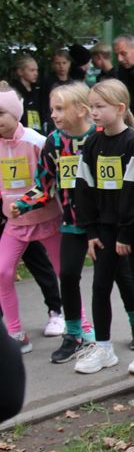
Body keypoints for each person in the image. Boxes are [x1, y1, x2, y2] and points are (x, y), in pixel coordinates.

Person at [16, 82, 134, 363]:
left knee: (120, 273)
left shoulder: (100, 137)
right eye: (52, 109)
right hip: (73, 223)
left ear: (80, 110)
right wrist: (22, 204)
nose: (53, 114)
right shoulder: (53, 142)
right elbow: (44, 183)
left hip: (104, 224)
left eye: (59, 108)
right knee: (68, 274)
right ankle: (74, 334)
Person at [73, 79, 134, 375]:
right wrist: (90, 231)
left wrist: (126, 233)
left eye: (100, 106)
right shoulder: (93, 143)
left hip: (132, 231)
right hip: (104, 229)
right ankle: (103, 348)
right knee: (100, 286)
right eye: (91, 106)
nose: (94, 112)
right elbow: (84, 187)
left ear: (120, 108)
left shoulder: (133, 143)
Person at [0, 83, 63, 354]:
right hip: (14, 223)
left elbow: (50, 181)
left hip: (46, 219)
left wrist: (26, 204)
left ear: (16, 113)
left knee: (63, 272)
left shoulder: (37, 141)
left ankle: (77, 325)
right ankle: (15, 333)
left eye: (1, 113)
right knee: (3, 272)